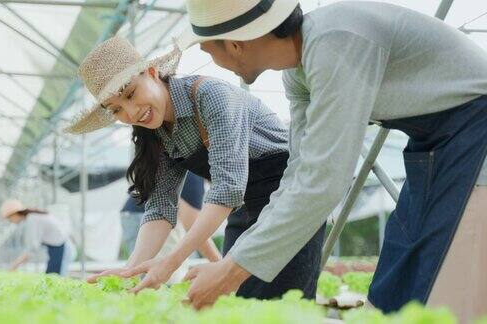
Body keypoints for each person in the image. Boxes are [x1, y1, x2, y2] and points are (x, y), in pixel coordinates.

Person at [178, 0, 487, 319]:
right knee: (401, 273)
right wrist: (234, 263)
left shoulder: (335, 41)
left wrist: (230, 272)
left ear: (235, 44)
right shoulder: (298, 72)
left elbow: (325, 181)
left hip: (476, 129)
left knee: (448, 281)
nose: (209, 58)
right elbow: (299, 175)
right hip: (438, 146)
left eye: (206, 49)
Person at [66, 36, 325, 300]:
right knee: (243, 300)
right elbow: (160, 209)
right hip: (246, 203)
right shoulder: (155, 134)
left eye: (131, 94)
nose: (131, 114)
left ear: (153, 73)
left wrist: (171, 262)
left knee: (280, 301)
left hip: (290, 193)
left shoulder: (211, 96)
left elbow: (227, 187)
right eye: (117, 110)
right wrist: (129, 272)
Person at [119, 171, 221, 262]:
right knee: (165, 275)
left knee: (146, 270)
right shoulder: (193, 176)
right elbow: (194, 227)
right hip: (149, 217)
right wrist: (219, 264)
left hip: (134, 214)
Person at [0, 199, 76, 276]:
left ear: (15, 214)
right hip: (58, 248)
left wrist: (14, 265)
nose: (10, 221)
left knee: (55, 278)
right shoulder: (33, 217)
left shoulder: (33, 219)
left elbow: (32, 248)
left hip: (62, 247)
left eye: (9, 218)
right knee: (51, 277)